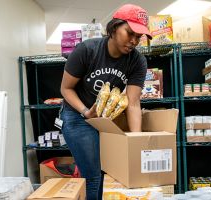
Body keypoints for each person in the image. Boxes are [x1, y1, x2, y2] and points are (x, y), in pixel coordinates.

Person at [60, 4, 152, 200]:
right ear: (113, 28)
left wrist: (135, 141)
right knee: (94, 175)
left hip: (107, 118)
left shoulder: (137, 61)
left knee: (112, 172)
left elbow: (133, 102)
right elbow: (65, 89)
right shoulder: (86, 50)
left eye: (139, 37)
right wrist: (86, 111)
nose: (134, 41)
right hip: (78, 115)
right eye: (130, 33)